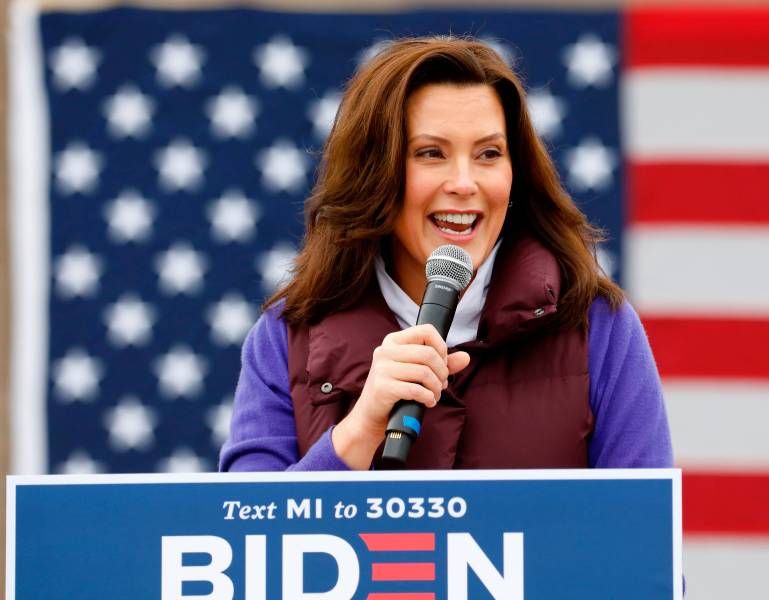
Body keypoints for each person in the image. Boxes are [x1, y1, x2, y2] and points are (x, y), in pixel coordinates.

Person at [220, 36, 673, 472]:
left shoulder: (598, 326)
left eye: (489, 153)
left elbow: (642, 535)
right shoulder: (284, 337)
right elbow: (248, 538)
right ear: (374, 176)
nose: (463, 183)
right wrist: (360, 429)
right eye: (431, 153)